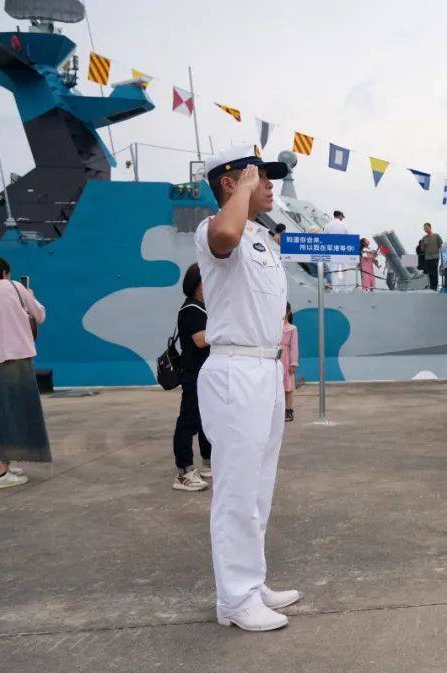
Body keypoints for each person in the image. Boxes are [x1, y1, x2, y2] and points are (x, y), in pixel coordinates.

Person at [196, 144, 301, 632]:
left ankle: (252, 582)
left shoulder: (261, 237)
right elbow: (224, 234)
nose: (271, 185)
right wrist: (240, 190)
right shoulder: (217, 230)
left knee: (259, 487)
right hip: (235, 370)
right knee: (236, 490)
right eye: (262, 176)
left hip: (266, 372)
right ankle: (234, 600)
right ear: (231, 183)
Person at [0, 253, 50, 490]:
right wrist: (28, 297)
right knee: (9, 414)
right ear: (4, 273)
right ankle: (0, 473)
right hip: (13, 358)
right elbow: (40, 316)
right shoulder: (14, 287)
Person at [173, 262, 212, 492]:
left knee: (207, 419)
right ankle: (184, 472)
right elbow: (200, 339)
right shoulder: (191, 309)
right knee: (188, 421)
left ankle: (207, 462)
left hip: (206, 374)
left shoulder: (203, 308)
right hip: (194, 373)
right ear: (198, 284)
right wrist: (227, 329)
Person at [323, 211, 355, 291]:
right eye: (342, 217)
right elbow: (349, 238)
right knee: (346, 270)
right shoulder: (344, 225)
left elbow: (324, 237)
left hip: (332, 251)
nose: (342, 218)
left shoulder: (327, 225)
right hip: (343, 251)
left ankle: (335, 289)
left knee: (334, 270)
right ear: (340, 216)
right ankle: (348, 288)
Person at [280, 303, 299, 421]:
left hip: (286, 358)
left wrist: (293, 363)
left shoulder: (292, 328)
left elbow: (294, 347)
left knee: (288, 386)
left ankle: (288, 410)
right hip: (274, 358)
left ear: (288, 312)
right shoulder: (273, 327)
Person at [420, 222, 443, 290]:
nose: (425, 229)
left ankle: (435, 287)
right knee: (429, 273)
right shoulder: (424, 238)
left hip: (435, 257)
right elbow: (422, 249)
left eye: (426, 228)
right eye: (424, 228)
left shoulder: (436, 236)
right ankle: (431, 287)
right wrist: (423, 243)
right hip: (427, 258)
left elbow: (440, 245)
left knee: (434, 273)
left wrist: (440, 255)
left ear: (430, 227)